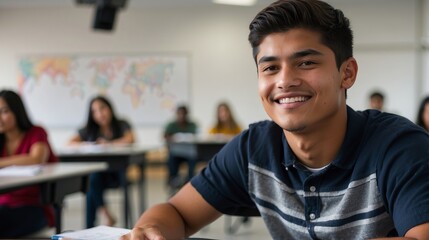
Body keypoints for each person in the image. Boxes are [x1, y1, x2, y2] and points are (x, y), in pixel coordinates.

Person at [121, 0, 429, 239]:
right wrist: (151, 228)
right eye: (270, 68)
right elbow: (178, 212)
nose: (285, 81)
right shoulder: (254, 149)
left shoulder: (400, 147)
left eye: (306, 62)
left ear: (346, 73)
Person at [69, 95, 135, 228]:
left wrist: (109, 144)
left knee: (91, 185)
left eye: (102, 108)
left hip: (117, 174)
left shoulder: (121, 124)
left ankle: (90, 227)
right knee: (92, 180)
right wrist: (88, 145)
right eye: (95, 111)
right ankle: (104, 215)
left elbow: (130, 139)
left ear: (110, 108)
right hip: (98, 177)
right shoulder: (89, 129)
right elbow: (70, 143)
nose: (100, 114)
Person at [0, 89, 58, 238]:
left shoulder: (36, 132)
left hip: (34, 206)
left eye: (4, 111)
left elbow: (36, 158)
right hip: (3, 205)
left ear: (17, 111)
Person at [164, 105, 198, 190]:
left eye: (183, 114)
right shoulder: (171, 125)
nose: (181, 116)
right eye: (180, 114)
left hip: (189, 153)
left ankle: (190, 180)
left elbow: (196, 136)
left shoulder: (192, 125)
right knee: (171, 159)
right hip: (176, 153)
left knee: (194, 159)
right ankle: (174, 180)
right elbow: (165, 136)